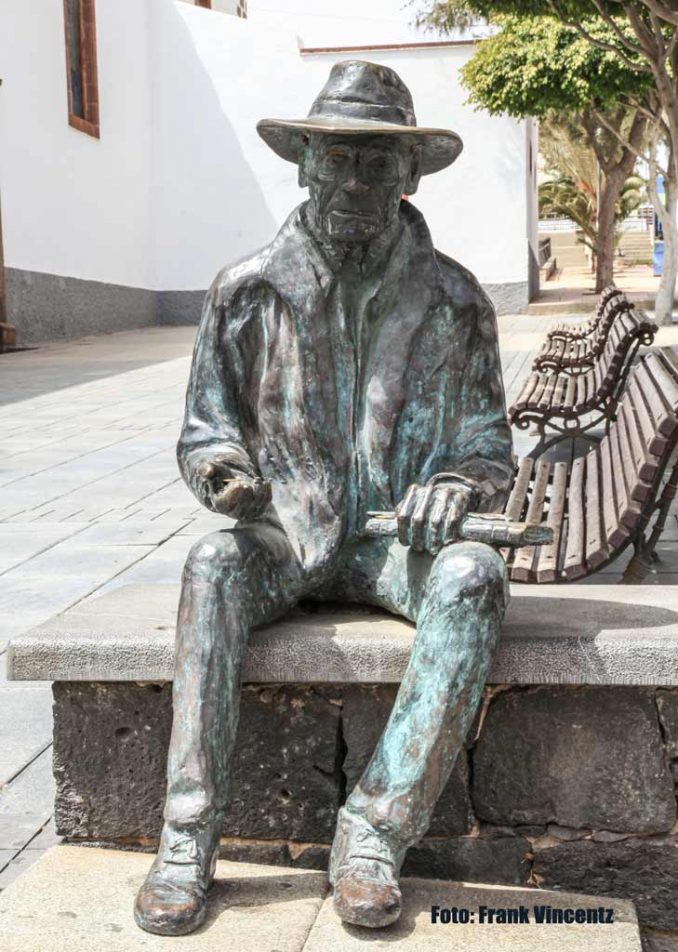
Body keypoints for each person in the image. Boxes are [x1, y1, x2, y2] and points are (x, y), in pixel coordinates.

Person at [134, 59, 513, 936]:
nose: (354, 181)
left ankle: (374, 833)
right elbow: (204, 428)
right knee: (209, 568)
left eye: (376, 163)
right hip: (284, 536)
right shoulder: (244, 291)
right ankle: (187, 838)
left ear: (410, 175)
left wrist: (455, 484)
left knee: (472, 579)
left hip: (395, 545)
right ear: (303, 163)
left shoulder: (456, 301)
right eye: (336, 159)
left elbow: (487, 442)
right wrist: (222, 471)